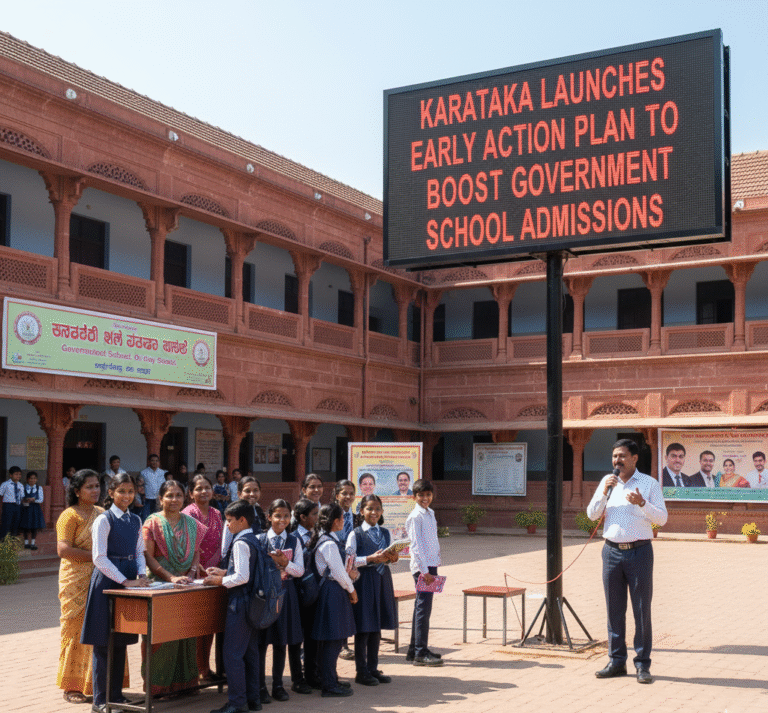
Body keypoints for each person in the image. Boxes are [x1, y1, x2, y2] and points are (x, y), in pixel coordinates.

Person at [587, 439, 668, 685]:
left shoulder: (649, 483)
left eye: (622, 456)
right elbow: (591, 515)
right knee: (614, 609)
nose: (617, 461)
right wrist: (603, 493)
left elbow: (662, 519)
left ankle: (642, 665)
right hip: (611, 553)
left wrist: (642, 503)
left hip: (639, 552)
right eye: (614, 457)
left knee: (641, 610)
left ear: (634, 458)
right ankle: (616, 661)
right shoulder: (606, 482)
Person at [81, 473, 149, 713]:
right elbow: (99, 558)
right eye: (121, 491)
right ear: (111, 493)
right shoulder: (104, 520)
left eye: (131, 492)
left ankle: (117, 695)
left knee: (121, 640)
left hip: (129, 579)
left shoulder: (136, 520)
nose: (127, 496)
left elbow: (140, 551)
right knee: (103, 641)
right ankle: (100, 701)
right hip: (107, 583)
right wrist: (125, 581)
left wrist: (140, 575)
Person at [142, 479, 203, 696]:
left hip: (187, 585)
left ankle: (185, 684)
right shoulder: (152, 522)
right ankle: (159, 687)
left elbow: (196, 552)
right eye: (169, 495)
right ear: (160, 499)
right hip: (161, 586)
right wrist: (171, 578)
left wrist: (192, 573)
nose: (174, 499)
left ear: (184, 497)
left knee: (186, 634)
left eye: (178, 495)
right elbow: (147, 556)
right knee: (162, 636)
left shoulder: (191, 523)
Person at [203, 499, 264, 713]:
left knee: (232, 655)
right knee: (250, 653)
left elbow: (242, 576)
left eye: (230, 521)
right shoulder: (254, 539)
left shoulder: (240, 542)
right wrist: (223, 572)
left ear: (242, 520)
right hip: (253, 604)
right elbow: (245, 570)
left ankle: (237, 703)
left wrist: (220, 581)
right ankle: (253, 699)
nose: (227, 525)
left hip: (240, 602)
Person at [56, 469, 103, 704]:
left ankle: (98, 685)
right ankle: (71, 686)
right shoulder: (69, 516)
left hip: (101, 579)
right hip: (75, 580)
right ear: (77, 491)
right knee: (75, 628)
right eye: (89, 487)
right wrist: (96, 557)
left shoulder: (103, 514)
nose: (95, 491)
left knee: (99, 628)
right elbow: (63, 550)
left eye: (97, 486)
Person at [347, 494, 398, 686]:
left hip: (382, 579)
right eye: (369, 508)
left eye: (377, 509)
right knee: (364, 627)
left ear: (382, 511)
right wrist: (369, 559)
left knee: (376, 626)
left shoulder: (386, 533)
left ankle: (373, 668)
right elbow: (349, 562)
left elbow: (391, 556)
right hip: (364, 581)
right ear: (361, 511)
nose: (374, 512)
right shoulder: (356, 534)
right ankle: (361, 671)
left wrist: (393, 558)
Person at [257, 499, 305, 703]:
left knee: (280, 641)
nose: (282, 520)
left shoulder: (294, 541)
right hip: (263, 596)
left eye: (286, 515)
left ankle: (278, 685)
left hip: (286, 595)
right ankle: (260, 686)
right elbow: (254, 568)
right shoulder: (259, 540)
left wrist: (286, 564)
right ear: (269, 517)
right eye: (277, 515)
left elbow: (300, 570)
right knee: (260, 642)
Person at [309, 503, 357, 697]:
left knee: (332, 639)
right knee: (333, 640)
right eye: (342, 519)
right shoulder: (328, 543)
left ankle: (330, 678)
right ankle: (329, 685)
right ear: (336, 521)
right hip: (332, 591)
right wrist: (352, 590)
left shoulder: (326, 538)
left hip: (331, 591)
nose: (344, 522)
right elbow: (338, 572)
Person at [182, 474, 225, 683]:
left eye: (207, 487)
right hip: (193, 574)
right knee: (194, 625)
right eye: (198, 488)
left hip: (213, 576)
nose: (204, 492)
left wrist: (215, 570)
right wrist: (198, 570)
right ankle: (194, 669)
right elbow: (188, 545)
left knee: (209, 624)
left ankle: (205, 668)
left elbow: (221, 544)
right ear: (191, 493)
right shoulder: (188, 514)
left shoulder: (217, 513)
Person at [405, 479, 443, 666]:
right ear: (414, 497)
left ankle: (415, 649)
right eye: (421, 495)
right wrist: (424, 571)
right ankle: (420, 653)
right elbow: (416, 546)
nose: (425, 498)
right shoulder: (415, 516)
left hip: (431, 565)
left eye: (428, 495)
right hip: (423, 568)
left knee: (422, 608)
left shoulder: (430, 513)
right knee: (423, 609)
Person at [290, 498, 320, 691]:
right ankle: (297, 679)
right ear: (302, 517)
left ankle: (311, 674)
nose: (317, 518)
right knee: (296, 637)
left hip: (315, 592)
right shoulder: (293, 538)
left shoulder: (317, 534)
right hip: (297, 593)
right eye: (314, 514)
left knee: (312, 635)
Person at [221, 477, 266, 559]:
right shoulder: (233, 515)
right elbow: (225, 548)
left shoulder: (259, 512)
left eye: (255, 490)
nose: (252, 494)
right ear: (239, 494)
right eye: (247, 491)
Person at [20, 471, 45, 549]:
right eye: (31, 478)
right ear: (27, 479)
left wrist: (34, 500)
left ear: (36, 479)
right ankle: (26, 542)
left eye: (34, 478)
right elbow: (20, 497)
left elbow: (41, 499)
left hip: (35, 509)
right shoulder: (23, 488)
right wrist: (25, 499)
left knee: (35, 525)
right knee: (25, 525)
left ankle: (33, 543)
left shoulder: (39, 488)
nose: (32, 480)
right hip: (26, 508)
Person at [0, 465, 23, 540]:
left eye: (19, 474)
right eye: (16, 474)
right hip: (8, 505)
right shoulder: (5, 484)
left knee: (16, 521)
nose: (18, 476)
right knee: (7, 522)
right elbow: (1, 494)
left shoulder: (21, 485)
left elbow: (22, 496)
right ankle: (4, 539)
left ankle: (13, 538)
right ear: (10, 475)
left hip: (18, 505)